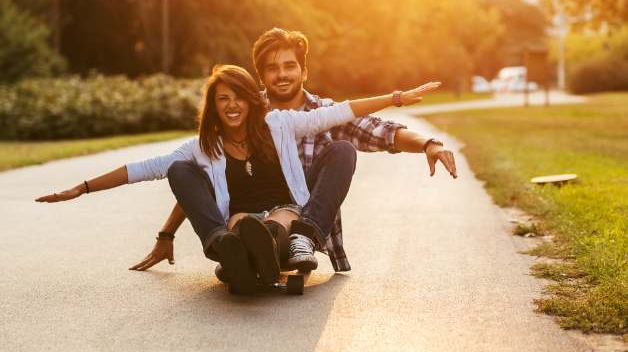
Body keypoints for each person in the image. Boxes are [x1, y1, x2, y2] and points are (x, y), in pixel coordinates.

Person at [36, 64, 442, 294]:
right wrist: (82, 187)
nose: (232, 106)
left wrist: (396, 98)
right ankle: (228, 251)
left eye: (239, 98)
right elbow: (141, 169)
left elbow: (340, 112)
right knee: (197, 186)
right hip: (237, 221)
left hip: (285, 215)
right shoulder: (201, 147)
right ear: (214, 106)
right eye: (223, 99)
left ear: (252, 100)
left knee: (339, 152)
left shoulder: (279, 124)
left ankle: (277, 251)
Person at [131, 28, 458, 275]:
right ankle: (246, 257)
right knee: (246, 234)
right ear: (261, 76)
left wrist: (430, 143)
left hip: (300, 224)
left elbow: (385, 133)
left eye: (290, 66)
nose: (282, 74)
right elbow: (204, 171)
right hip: (247, 220)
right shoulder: (242, 112)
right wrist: (166, 233)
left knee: (342, 149)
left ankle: (290, 243)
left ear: (304, 71)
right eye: (272, 68)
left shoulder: (324, 113)